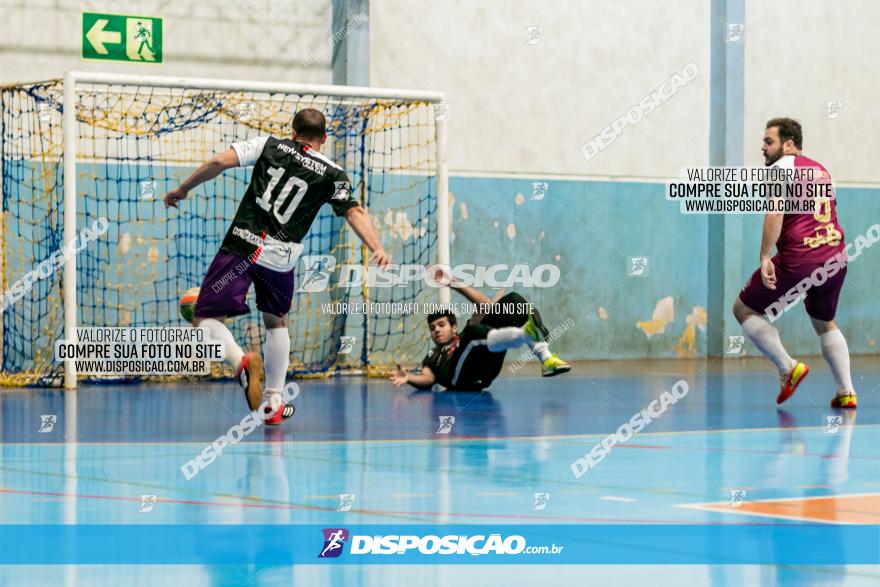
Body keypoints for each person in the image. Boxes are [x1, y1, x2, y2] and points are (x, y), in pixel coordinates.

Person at [165, 108, 389, 423]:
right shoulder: (334, 174)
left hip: (242, 245)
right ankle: (273, 401)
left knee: (204, 318)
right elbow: (353, 211)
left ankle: (240, 361)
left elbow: (219, 162)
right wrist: (376, 246)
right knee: (277, 322)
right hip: (281, 257)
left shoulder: (269, 145)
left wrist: (183, 189)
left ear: (293, 132)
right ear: (324, 138)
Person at [732, 117, 856, 408]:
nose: (763, 147)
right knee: (824, 321)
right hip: (835, 257)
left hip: (801, 258)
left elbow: (775, 213)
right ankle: (846, 391)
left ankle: (788, 367)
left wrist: (765, 256)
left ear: (788, 144)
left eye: (768, 141)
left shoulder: (780, 169)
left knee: (743, 308)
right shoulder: (823, 171)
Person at [390, 269, 570, 391]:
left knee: (513, 302)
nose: (436, 330)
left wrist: (452, 282)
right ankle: (528, 335)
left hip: (485, 366)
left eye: (441, 325)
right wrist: (409, 377)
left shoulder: (464, 333)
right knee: (474, 333)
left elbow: (485, 306)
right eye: (432, 328)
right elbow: (428, 379)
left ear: (454, 327)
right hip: (457, 379)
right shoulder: (433, 355)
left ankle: (545, 359)